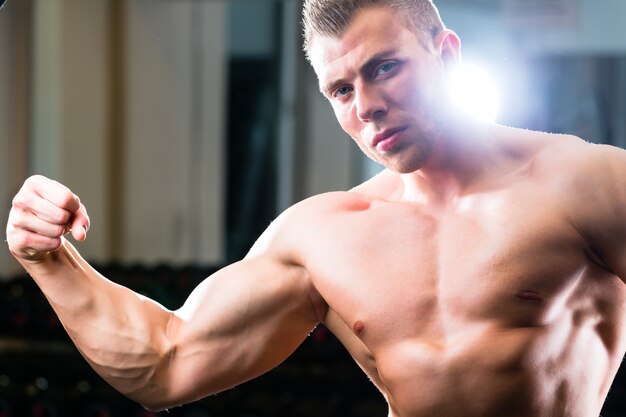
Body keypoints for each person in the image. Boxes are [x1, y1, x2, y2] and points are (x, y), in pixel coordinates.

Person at [6, 0, 626, 416]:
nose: (368, 105)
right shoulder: (321, 236)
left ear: (447, 54)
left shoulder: (585, 183)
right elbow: (164, 364)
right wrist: (49, 259)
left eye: (386, 68)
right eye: (341, 89)